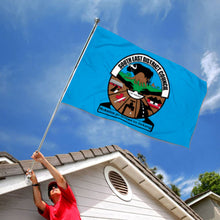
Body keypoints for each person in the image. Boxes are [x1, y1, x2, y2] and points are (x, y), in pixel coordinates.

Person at [26, 151, 81, 220]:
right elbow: (38, 203)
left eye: (56, 186)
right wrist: (34, 182)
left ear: (62, 192)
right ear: (49, 197)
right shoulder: (50, 210)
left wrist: (43, 161)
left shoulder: (68, 199)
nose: (53, 187)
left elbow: (60, 180)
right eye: (50, 189)